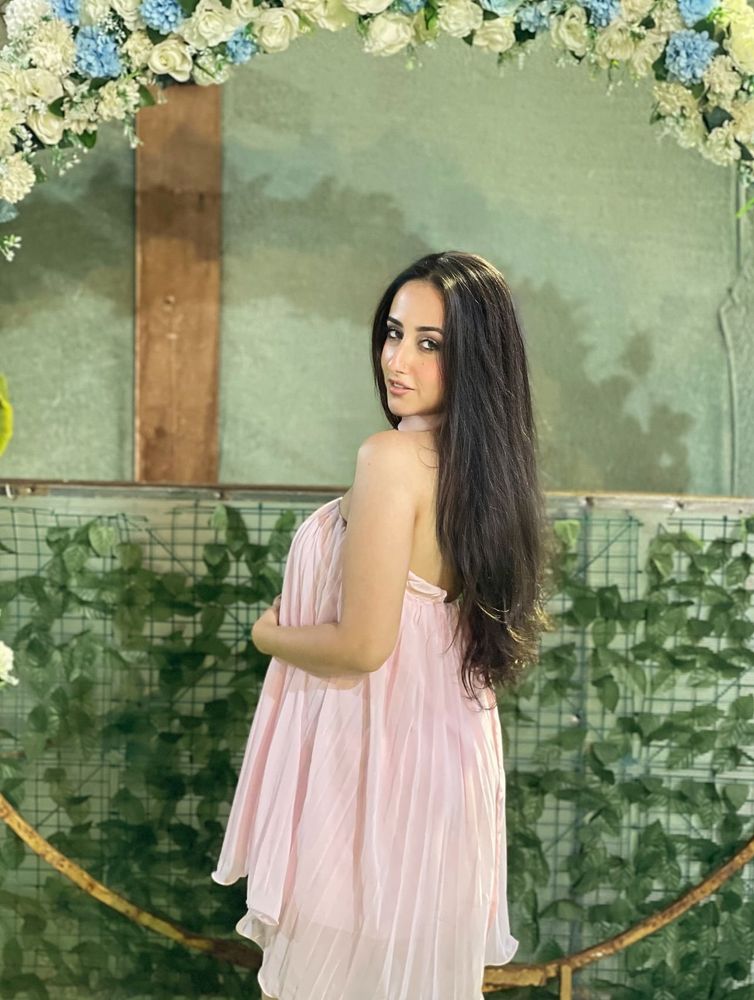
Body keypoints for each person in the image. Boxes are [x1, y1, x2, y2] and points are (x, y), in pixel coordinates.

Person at [210, 250, 553, 1000]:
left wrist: (267, 634)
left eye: (431, 344)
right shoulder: (482, 472)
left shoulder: (393, 458)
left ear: (476, 361)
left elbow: (364, 645)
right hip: (438, 767)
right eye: (394, 333)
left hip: (375, 769)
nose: (398, 359)